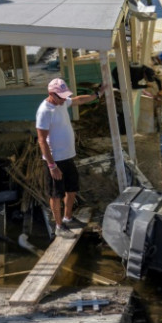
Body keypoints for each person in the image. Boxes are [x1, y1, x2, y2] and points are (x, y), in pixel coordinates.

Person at [36, 78, 105, 239]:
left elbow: (78, 100)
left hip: (67, 157)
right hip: (55, 160)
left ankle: (68, 217)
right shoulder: (44, 111)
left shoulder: (61, 103)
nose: (63, 99)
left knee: (72, 188)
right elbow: (41, 140)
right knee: (56, 194)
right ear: (51, 94)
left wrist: (97, 94)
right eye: (60, 96)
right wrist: (52, 166)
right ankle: (59, 226)